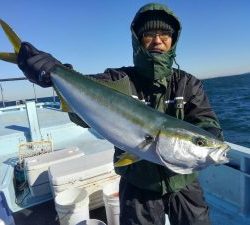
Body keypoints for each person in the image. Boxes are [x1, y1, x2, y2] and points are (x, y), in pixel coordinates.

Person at [17, 3, 223, 225]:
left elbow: (205, 120)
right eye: (149, 34)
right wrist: (55, 73)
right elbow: (82, 108)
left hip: (184, 181)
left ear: (173, 40)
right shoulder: (117, 80)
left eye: (165, 34)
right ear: (137, 39)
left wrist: (210, 135)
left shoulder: (188, 83)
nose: (157, 40)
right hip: (137, 185)